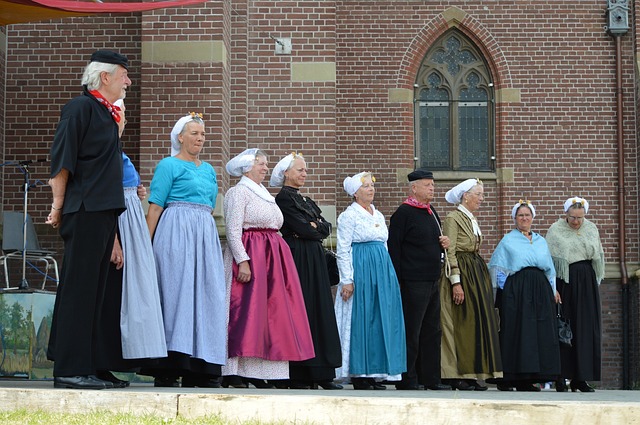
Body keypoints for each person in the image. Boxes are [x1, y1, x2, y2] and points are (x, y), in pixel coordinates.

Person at [46, 50, 131, 390]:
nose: (128, 81)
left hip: (105, 212)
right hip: (84, 210)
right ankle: (70, 368)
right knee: (80, 291)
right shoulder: (79, 108)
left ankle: (94, 364)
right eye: (124, 74)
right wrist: (57, 203)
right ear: (105, 76)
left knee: (100, 294)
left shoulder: (107, 115)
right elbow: (62, 160)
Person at [143, 113, 227, 388]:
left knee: (205, 295)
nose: (200, 138)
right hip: (175, 232)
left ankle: (201, 366)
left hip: (203, 235)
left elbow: (211, 206)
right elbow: (155, 207)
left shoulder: (209, 170)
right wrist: (145, 246)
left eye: (202, 134)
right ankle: (168, 366)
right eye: (194, 133)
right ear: (180, 137)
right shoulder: (168, 165)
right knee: (176, 294)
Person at [222, 148, 315, 388]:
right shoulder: (238, 192)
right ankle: (236, 371)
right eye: (260, 164)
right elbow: (233, 229)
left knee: (270, 315)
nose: (265, 168)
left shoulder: (264, 194)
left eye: (265, 164)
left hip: (271, 257)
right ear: (246, 167)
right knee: (245, 313)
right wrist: (243, 260)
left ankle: (265, 371)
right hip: (252, 254)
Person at [93, 100, 167, 388]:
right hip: (118, 227)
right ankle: (100, 363)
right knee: (111, 297)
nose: (122, 122)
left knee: (121, 297)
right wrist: (113, 240)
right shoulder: (105, 151)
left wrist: (136, 190)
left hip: (129, 224)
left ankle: (110, 362)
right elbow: (103, 196)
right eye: (119, 117)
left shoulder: (117, 150)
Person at [270, 152, 343, 390]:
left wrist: (314, 227)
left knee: (320, 310)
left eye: (305, 170)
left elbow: (324, 227)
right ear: (286, 173)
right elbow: (304, 228)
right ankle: (299, 373)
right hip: (297, 258)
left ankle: (322, 373)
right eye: (300, 170)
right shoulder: (283, 200)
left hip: (315, 257)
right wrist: (312, 227)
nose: (304, 173)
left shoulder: (306, 201)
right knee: (301, 310)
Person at [334, 171, 406, 390]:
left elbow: (383, 244)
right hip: (362, 269)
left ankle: (375, 371)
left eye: (371, 185)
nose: (371, 189)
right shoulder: (349, 216)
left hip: (381, 270)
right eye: (365, 186)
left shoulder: (378, 214)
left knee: (380, 318)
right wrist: (347, 279)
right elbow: (343, 248)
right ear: (355, 193)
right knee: (363, 319)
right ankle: (359, 373)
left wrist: (388, 275)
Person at [387, 169, 451, 391]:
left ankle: (431, 378)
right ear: (414, 187)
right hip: (413, 282)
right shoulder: (403, 214)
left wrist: (443, 243)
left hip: (432, 279)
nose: (432, 188)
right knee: (412, 331)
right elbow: (394, 250)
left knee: (432, 331)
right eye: (427, 185)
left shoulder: (430, 211)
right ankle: (408, 378)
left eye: (433, 184)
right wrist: (397, 282)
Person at [488, 200, 560, 392]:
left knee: (538, 333)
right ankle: (511, 377)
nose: (524, 218)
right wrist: (509, 290)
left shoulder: (540, 241)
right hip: (517, 291)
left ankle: (532, 377)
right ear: (515, 219)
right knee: (518, 332)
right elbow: (498, 268)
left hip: (540, 291)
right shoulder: (508, 241)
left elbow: (549, 270)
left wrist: (553, 291)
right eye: (521, 215)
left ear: (532, 218)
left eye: (527, 215)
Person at [439, 179, 502, 391]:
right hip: (463, 274)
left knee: (475, 324)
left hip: (475, 272)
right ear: (466, 195)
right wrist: (456, 283)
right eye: (479, 194)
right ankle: (456, 373)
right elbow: (450, 251)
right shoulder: (453, 218)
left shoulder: (471, 218)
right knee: (461, 324)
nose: (482, 199)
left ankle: (474, 372)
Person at [545, 197, 604, 393]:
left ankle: (581, 378)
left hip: (587, 281)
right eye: (573, 218)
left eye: (580, 217)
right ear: (566, 215)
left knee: (586, 328)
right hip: (566, 280)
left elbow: (598, 257)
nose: (577, 221)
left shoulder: (591, 228)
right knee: (564, 327)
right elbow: (550, 261)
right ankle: (560, 377)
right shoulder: (555, 230)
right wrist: (554, 287)